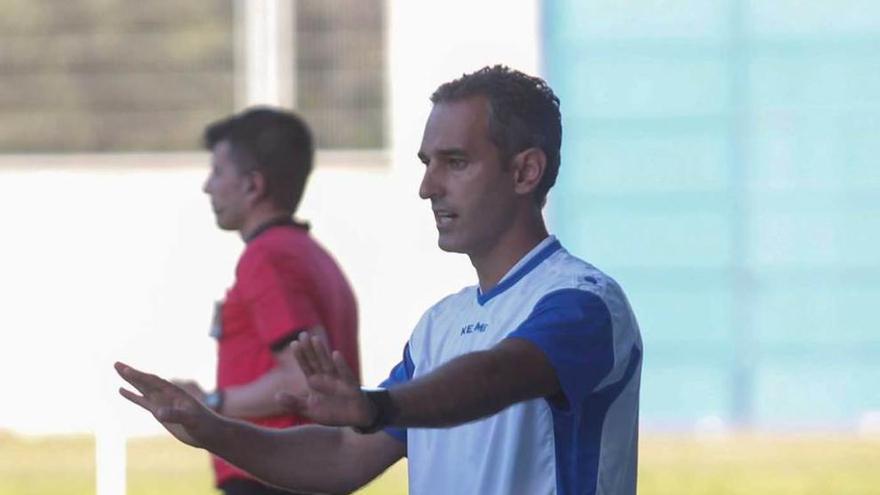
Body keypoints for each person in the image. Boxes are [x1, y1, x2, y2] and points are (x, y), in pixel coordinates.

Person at [117, 66, 642, 495]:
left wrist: (378, 406)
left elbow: (499, 375)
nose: (427, 187)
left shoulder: (583, 302)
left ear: (526, 172)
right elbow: (343, 457)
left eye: (455, 162)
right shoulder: (440, 324)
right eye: (426, 163)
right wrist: (213, 429)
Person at [172, 107, 361, 495]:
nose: (207, 186)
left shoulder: (267, 258)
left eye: (218, 172)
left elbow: (303, 381)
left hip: (271, 476)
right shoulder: (313, 255)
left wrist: (208, 402)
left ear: (253, 185)